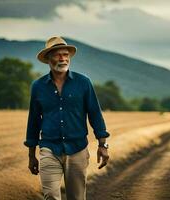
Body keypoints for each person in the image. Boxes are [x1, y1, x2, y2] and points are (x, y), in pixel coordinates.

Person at [23, 36, 110, 200]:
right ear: (48, 58)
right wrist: (31, 155)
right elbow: (33, 121)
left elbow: (95, 114)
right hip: (49, 148)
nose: (63, 58)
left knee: (76, 197)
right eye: (57, 55)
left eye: (65, 54)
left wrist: (103, 145)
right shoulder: (38, 86)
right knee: (50, 195)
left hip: (77, 148)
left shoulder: (83, 82)